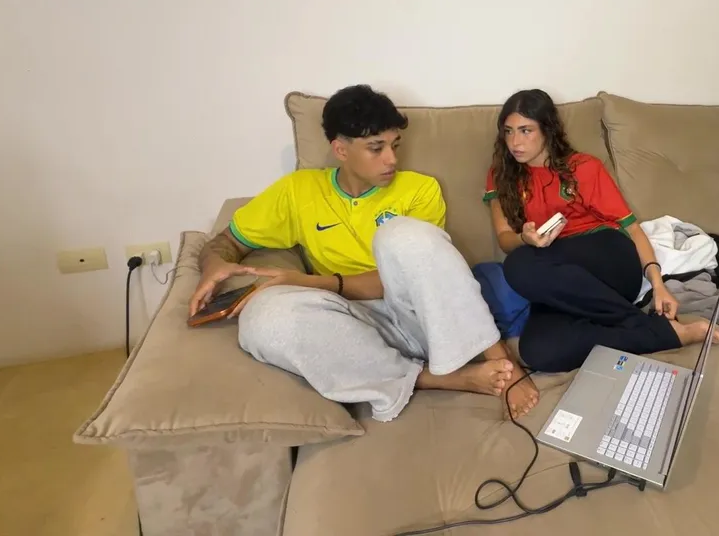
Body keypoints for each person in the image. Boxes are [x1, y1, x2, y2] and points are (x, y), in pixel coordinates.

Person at [188, 85, 539, 420]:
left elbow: (412, 276)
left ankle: (500, 359)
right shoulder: (297, 191)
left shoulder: (419, 189)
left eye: (395, 145)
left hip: (421, 318)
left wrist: (305, 281)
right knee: (260, 320)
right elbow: (226, 241)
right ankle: (432, 378)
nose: (391, 159)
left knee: (400, 234)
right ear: (341, 150)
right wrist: (214, 265)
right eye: (376, 148)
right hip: (353, 330)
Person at [484, 89, 719, 373]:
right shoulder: (502, 175)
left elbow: (632, 229)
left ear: (547, 129)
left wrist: (658, 285)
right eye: (508, 131)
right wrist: (524, 238)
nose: (515, 142)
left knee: (519, 264)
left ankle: (641, 323)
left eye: (526, 130)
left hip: (608, 258)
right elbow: (504, 238)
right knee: (537, 351)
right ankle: (665, 334)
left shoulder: (583, 167)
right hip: (557, 277)